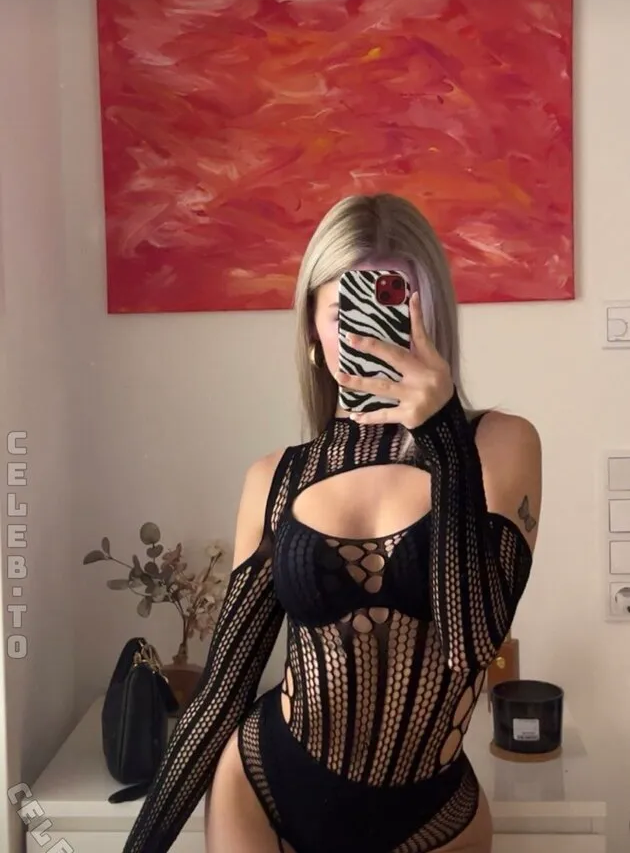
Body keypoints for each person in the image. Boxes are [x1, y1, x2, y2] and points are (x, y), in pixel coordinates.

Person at [122, 193, 541, 853]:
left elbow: (471, 646)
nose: (370, 330)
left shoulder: (499, 444)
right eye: (345, 309)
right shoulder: (274, 479)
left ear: (433, 314)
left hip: (432, 820)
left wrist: (441, 437)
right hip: (265, 794)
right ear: (312, 333)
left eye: (394, 300)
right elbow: (222, 694)